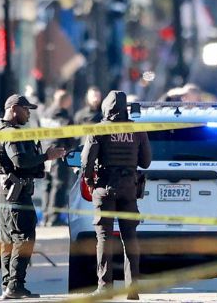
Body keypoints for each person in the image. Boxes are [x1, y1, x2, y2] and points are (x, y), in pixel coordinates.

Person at [0, 94, 67, 299]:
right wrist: (46, 156)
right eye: (26, 109)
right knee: (24, 238)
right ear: (14, 109)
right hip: (15, 192)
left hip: (3, 190)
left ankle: (8, 285)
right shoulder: (11, 134)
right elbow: (20, 161)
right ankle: (15, 285)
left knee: (8, 239)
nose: (29, 114)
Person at [81, 90, 152, 298]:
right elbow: (146, 162)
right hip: (129, 189)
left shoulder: (99, 130)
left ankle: (105, 287)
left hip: (104, 188)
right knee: (130, 238)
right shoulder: (138, 130)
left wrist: (90, 181)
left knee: (104, 238)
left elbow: (86, 162)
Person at [41, 88, 76, 226]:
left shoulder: (46, 113)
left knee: (47, 184)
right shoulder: (64, 116)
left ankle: (45, 217)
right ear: (65, 101)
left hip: (45, 153)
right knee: (58, 185)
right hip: (58, 153)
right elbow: (69, 136)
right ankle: (54, 217)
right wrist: (69, 148)